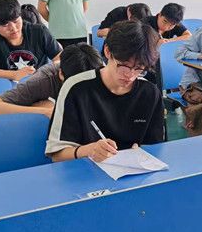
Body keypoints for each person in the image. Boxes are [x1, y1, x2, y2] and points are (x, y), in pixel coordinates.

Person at [46, 20, 164, 162]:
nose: (130, 75)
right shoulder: (76, 88)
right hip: (85, 169)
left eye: (139, 68)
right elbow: (57, 156)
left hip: (134, 170)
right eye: (124, 65)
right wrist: (88, 150)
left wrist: (143, 152)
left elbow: (156, 148)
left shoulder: (149, 93)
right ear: (108, 51)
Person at [0, 43, 103, 118]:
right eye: (77, 86)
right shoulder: (42, 81)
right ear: (61, 74)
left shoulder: (102, 72)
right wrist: (44, 111)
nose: (84, 91)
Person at [0, 0, 62, 81]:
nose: (13, 28)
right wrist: (14, 74)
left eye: (16, 21)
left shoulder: (39, 31)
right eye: (5, 25)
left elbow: (60, 58)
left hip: (40, 83)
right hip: (6, 87)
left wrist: (46, 71)